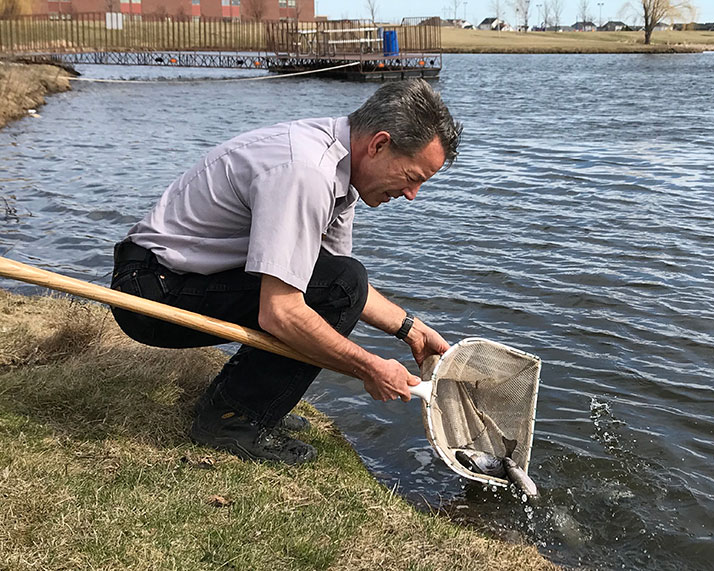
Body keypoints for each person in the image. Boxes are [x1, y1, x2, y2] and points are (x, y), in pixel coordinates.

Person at [110, 79, 462, 465]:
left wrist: (410, 328)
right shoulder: (307, 172)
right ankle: (231, 419)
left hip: (174, 278)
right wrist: (369, 367)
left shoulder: (340, 169)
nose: (412, 195)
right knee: (335, 291)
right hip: (150, 295)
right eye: (412, 179)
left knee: (342, 282)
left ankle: (242, 402)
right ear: (379, 144)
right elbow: (281, 311)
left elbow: (332, 281)